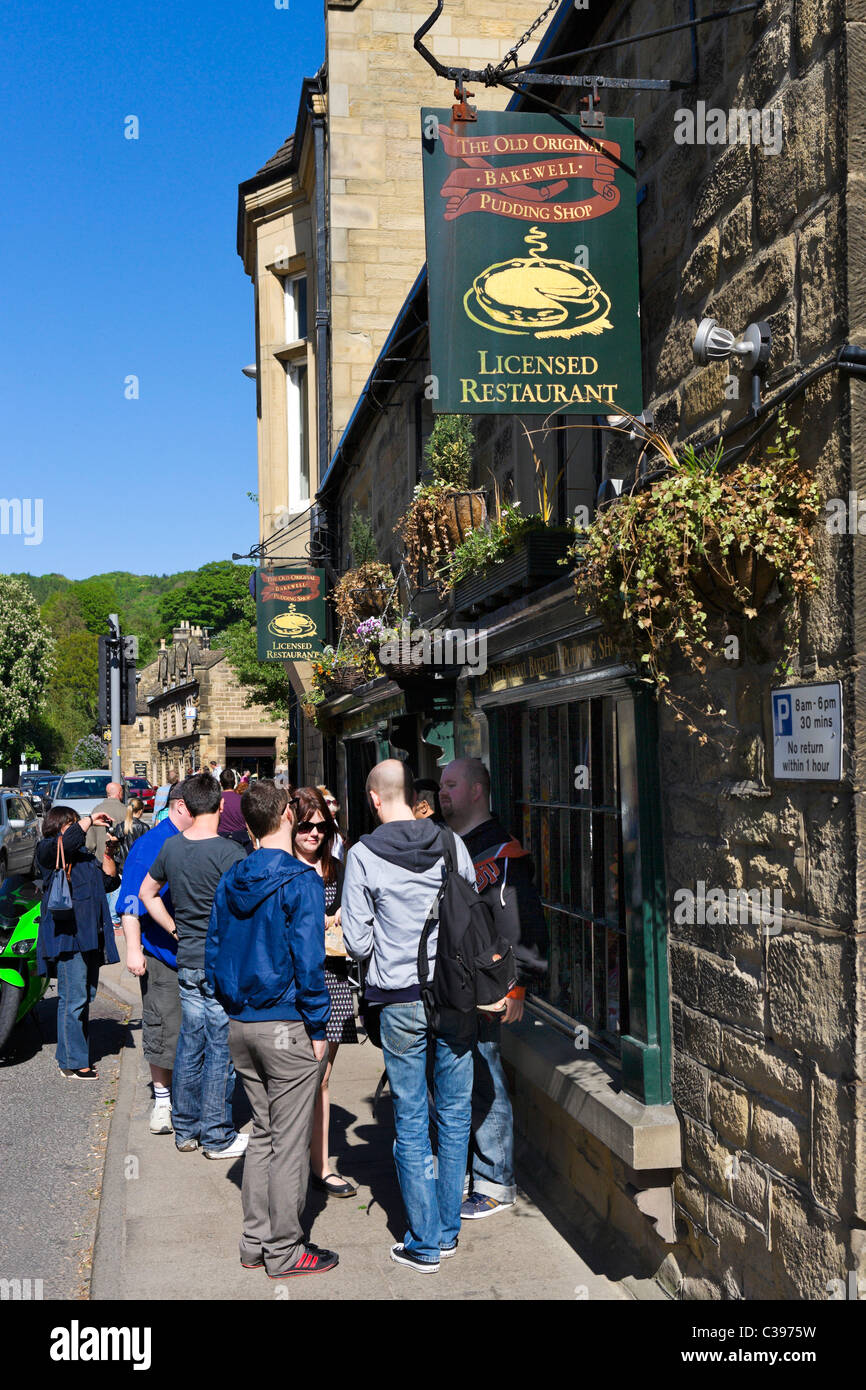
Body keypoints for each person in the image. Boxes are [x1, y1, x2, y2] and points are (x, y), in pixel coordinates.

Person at [342, 759, 479, 1272]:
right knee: (455, 1110)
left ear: (376, 798)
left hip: (399, 998)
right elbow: (470, 909)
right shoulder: (450, 842)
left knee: (413, 1116)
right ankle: (447, 1231)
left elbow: (356, 941)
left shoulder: (362, 854)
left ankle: (422, 1241)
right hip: (454, 994)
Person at [206, 779, 338, 1278]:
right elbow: (309, 961)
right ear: (285, 816)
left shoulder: (233, 876)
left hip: (241, 1022)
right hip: (285, 1022)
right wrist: (318, 1023)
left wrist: (233, 1003)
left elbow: (213, 952)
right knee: (286, 1141)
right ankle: (284, 1250)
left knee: (264, 1132)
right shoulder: (300, 880)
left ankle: (254, 1241)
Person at [439, 758, 548, 1220]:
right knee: (460, 1083)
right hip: (456, 987)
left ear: (478, 791)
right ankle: (468, 1170)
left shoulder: (502, 850)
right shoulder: (454, 843)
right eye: (441, 785)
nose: (441, 793)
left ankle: (495, 1182)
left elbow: (523, 922)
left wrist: (519, 984)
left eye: (451, 785)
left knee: (486, 1080)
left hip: (489, 987)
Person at [138, 773, 248, 1158]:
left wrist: (173, 928)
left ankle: (185, 1128)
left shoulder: (171, 847)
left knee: (190, 1040)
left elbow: (145, 893)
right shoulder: (230, 853)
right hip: (220, 963)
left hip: (187, 960)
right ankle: (217, 1134)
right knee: (220, 1046)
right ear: (220, 806)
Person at [291, 786, 357, 1199]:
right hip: (294, 984)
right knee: (296, 1078)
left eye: (321, 826)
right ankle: (293, 1162)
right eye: (306, 826)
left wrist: (341, 918)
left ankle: (322, 1165)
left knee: (324, 1076)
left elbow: (357, 914)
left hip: (332, 980)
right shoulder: (281, 869)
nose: (314, 833)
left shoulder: (336, 868)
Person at [119, 782, 195, 1134]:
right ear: (180, 806)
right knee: (163, 1029)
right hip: (162, 953)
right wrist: (134, 949)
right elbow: (132, 900)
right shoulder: (151, 843)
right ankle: (163, 1101)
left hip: (199, 955)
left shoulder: (201, 840)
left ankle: (189, 1098)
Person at [36, 805, 121, 1079]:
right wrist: (89, 819)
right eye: (70, 824)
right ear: (57, 826)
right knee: (73, 1000)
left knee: (84, 998)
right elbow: (69, 840)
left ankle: (72, 1054)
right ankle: (72, 1062)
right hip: (67, 937)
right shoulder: (48, 850)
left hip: (88, 937)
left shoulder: (82, 855)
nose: (77, 830)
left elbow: (109, 881)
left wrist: (108, 850)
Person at [217, 768, 252, 853]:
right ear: (235, 782)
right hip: (241, 841)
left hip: (220, 841)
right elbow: (249, 824)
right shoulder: (243, 800)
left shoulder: (215, 800)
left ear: (220, 783)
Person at [110, 797, 147, 868]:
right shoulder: (144, 827)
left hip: (122, 864)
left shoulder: (120, 826)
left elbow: (116, 842)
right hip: (138, 863)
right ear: (140, 811)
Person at [317, 787, 345, 860]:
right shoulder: (321, 825)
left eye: (334, 812)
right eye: (331, 812)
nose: (333, 814)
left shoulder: (334, 822)